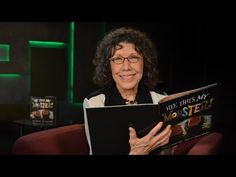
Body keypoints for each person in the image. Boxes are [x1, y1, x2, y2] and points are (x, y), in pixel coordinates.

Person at [83, 26, 172, 155]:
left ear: (145, 62)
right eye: (118, 59)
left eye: (134, 58)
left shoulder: (161, 99)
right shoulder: (94, 102)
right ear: (108, 66)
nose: (126, 67)